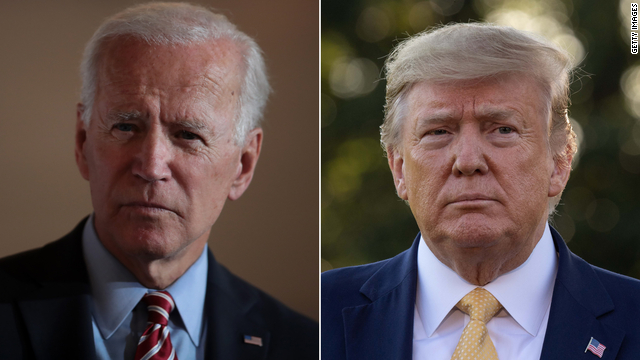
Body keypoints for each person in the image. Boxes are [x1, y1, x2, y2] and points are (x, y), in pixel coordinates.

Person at [0, 3, 317, 359]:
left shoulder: (305, 345)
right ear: (82, 141)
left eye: (187, 135)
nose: (151, 166)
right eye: (125, 126)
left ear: (242, 165)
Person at [321, 23, 640, 360]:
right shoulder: (321, 314)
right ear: (399, 168)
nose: (468, 161)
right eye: (439, 131)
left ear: (559, 162)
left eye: (503, 129)